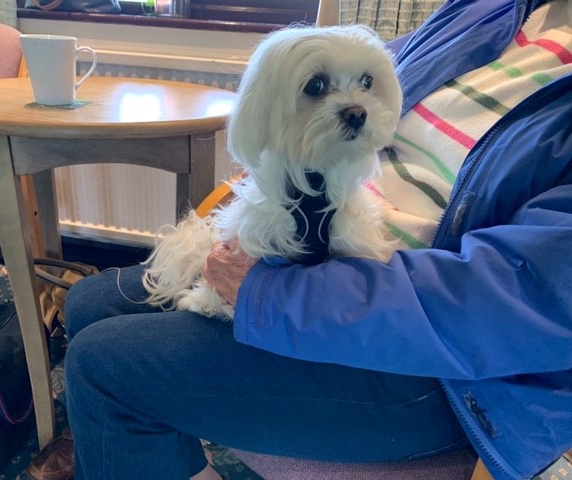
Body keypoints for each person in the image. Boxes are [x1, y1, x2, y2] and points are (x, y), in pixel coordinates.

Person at [63, 0, 572, 479]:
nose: (351, 106)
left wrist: (275, 295)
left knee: (102, 367)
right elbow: (342, 102)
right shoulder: (489, 11)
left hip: (446, 364)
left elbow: (528, 301)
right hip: (322, 249)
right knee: (89, 302)